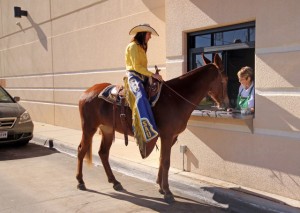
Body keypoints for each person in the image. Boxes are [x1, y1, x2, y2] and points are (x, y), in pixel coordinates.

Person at [124, 24, 163, 149]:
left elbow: (143, 68)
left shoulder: (142, 47)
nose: (150, 37)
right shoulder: (133, 46)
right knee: (140, 95)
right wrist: (153, 75)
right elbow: (136, 67)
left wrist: (153, 76)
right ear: (142, 34)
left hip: (143, 76)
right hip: (133, 76)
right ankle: (146, 130)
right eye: (149, 34)